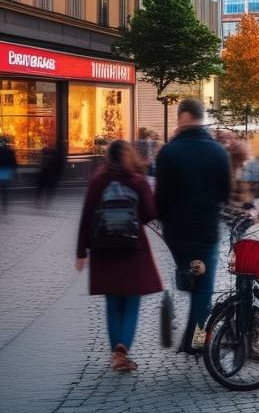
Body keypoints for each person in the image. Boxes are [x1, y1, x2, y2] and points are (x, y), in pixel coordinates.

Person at [75, 141, 162, 371]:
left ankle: (117, 352)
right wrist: (133, 221)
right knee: (132, 301)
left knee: (113, 303)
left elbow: (87, 215)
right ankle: (123, 349)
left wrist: (81, 251)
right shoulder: (137, 180)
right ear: (129, 156)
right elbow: (151, 212)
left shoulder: (98, 181)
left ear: (107, 157)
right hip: (133, 248)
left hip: (104, 249)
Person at [155, 98, 231, 354]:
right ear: (201, 118)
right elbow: (226, 193)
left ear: (181, 118)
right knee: (204, 291)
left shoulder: (168, 152)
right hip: (206, 231)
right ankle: (196, 342)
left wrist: (163, 218)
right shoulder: (218, 151)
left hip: (177, 233)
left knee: (190, 278)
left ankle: (187, 282)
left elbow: (160, 197)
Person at [0, 135, 16, 213]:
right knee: (4, 189)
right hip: (6, 171)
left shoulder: (3, 151)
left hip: (3, 171)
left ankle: (4, 205)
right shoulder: (10, 151)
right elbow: (14, 163)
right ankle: (5, 205)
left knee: (3, 188)